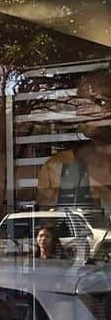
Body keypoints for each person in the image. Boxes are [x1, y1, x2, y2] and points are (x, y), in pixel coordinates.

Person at [36, 69, 111, 218]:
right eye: (79, 104)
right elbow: (47, 227)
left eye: (99, 102)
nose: (83, 112)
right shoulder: (57, 167)